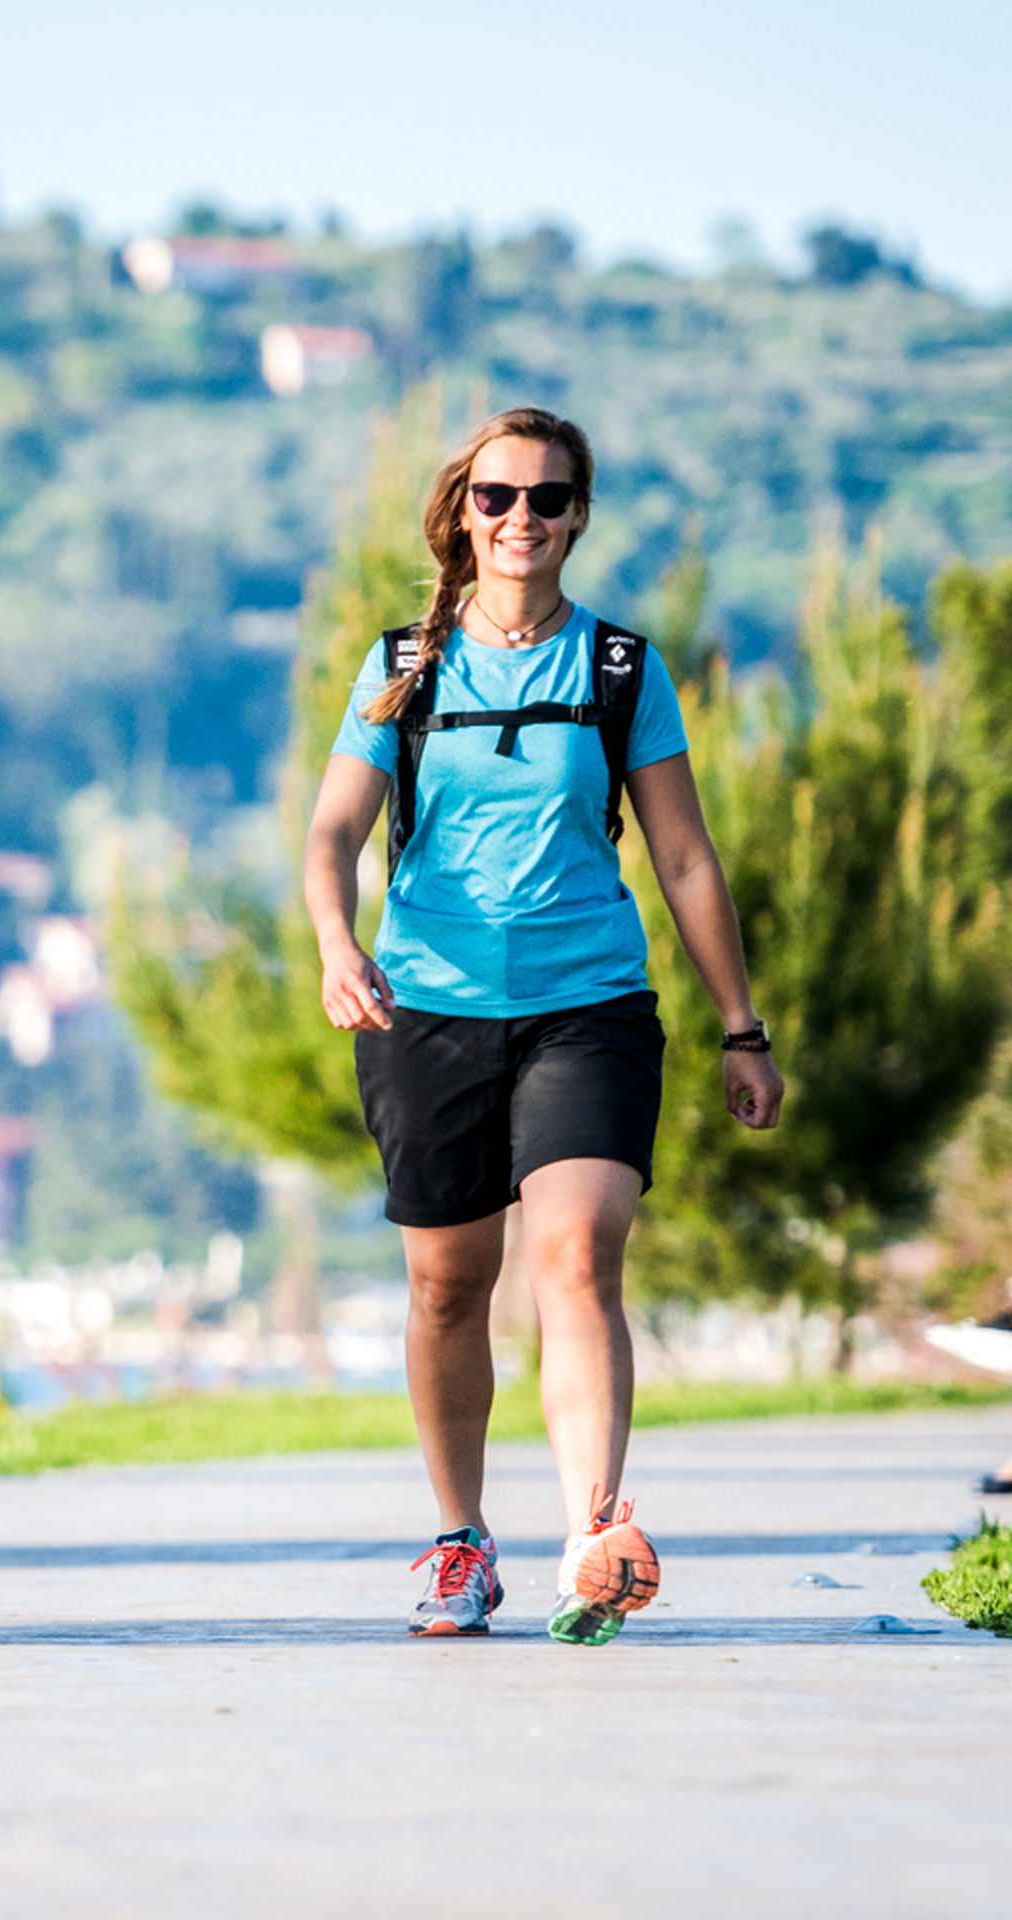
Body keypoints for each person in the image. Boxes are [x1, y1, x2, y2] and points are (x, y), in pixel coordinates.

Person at [302, 406, 785, 1644]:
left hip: (588, 1008)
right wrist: (335, 946)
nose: (523, 519)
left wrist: (740, 1024)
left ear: (579, 513)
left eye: (549, 498)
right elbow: (330, 835)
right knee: (446, 1286)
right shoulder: (399, 665)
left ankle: (592, 1533)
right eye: (497, 497)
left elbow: (680, 858)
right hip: (428, 1011)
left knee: (575, 1256)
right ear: (462, 511)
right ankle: (461, 1540)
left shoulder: (619, 668)